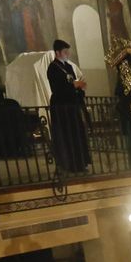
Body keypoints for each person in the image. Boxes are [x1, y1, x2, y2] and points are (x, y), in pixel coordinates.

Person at [47, 39, 90, 173]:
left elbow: (73, 82)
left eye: (68, 52)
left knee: (77, 135)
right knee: (67, 136)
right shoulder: (53, 68)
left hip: (73, 106)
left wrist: (80, 88)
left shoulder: (69, 67)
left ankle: (81, 163)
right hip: (62, 108)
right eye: (65, 52)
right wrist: (74, 85)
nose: (67, 54)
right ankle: (69, 165)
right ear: (57, 53)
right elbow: (57, 89)